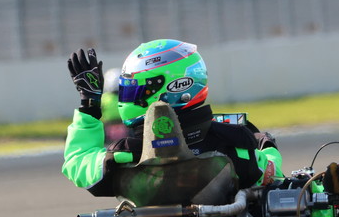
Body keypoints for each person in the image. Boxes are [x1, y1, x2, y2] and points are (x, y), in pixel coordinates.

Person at [62, 39, 285, 199]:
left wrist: (89, 106)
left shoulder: (124, 155)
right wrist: (267, 146)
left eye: (133, 88)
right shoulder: (235, 143)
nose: (127, 96)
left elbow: (78, 161)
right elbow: (271, 172)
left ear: (172, 88)